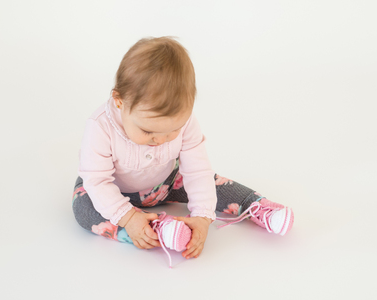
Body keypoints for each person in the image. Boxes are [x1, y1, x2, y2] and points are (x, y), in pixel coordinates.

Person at [72, 37, 294, 268]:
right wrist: (128, 217)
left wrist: (202, 215)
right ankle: (158, 229)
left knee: (212, 183)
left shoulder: (187, 121)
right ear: (119, 101)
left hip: (167, 181)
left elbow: (197, 171)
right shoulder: (100, 127)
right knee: (84, 209)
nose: (161, 140)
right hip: (112, 189)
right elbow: (97, 180)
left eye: (173, 130)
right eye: (148, 131)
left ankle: (254, 204)